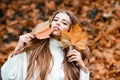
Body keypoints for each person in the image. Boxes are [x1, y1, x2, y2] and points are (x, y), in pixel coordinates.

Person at [1, 9, 90, 80]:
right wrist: (18, 48)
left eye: (64, 23)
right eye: (55, 20)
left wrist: (82, 67)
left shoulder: (71, 57)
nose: (58, 23)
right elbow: (6, 75)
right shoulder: (34, 50)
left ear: (70, 30)